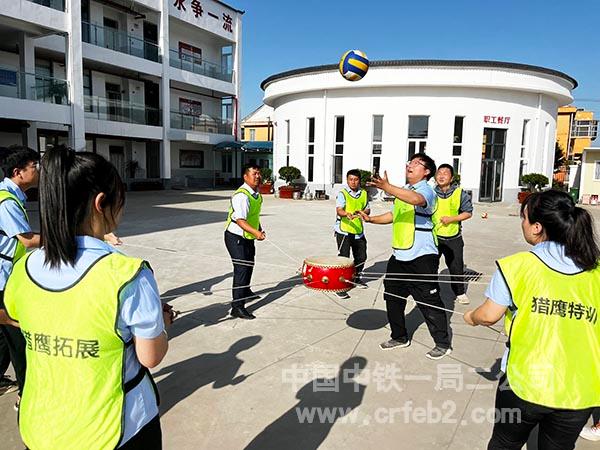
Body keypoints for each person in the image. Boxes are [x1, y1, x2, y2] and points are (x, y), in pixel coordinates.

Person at [3, 146, 173, 449]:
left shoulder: (24, 268)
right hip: (115, 429)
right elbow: (151, 356)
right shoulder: (127, 274)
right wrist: (163, 321)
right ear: (101, 203)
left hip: (41, 427)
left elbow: (11, 316)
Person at [463, 190, 600, 450]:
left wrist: (471, 316)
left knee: (505, 442)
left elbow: (489, 315)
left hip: (524, 383)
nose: (522, 224)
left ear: (537, 227)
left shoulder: (517, 266)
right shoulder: (596, 269)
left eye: (523, 218)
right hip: (581, 390)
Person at [359, 153, 452, 360]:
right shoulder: (405, 191)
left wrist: (387, 187)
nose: (410, 165)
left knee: (428, 301)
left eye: (417, 163)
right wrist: (371, 219)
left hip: (422, 256)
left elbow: (418, 201)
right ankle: (399, 336)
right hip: (399, 254)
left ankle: (442, 343)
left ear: (426, 172)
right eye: (410, 162)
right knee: (393, 297)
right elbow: (394, 215)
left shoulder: (427, 190)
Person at [0, 146, 40, 407]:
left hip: (5, 279)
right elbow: (27, 241)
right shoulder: (6, 201)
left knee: (4, 337)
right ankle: (26, 396)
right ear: (18, 172)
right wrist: (68, 238)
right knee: (21, 340)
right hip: (4, 282)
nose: (39, 171)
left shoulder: (11, 197)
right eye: (35, 166)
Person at [224, 164, 265, 320]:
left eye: (259, 173)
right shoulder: (241, 195)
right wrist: (256, 233)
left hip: (248, 235)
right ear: (245, 176)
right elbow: (240, 221)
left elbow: (253, 217)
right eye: (254, 174)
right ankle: (237, 307)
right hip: (236, 237)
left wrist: (259, 230)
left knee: (249, 264)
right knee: (241, 269)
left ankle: (245, 291)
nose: (258, 176)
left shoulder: (256, 194)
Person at [432, 164, 473, 304]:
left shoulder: (459, 193)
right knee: (430, 266)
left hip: (453, 237)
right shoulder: (431, 193)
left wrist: (452, 219)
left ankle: (459, 292)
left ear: (452, 178)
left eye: (445, 173)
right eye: (439, 173)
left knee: (456, 267)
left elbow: (468, 212)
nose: (441, 176)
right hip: (434, 237)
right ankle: (431, 291)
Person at [334, 169, 370, 299]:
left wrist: (363, 212)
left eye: (355, 179)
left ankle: (356, 278)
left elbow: (367, 208)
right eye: (350, 179)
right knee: (344, 258)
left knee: (361, 256)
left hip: (358, 230)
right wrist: (346, 214)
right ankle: (339, 285)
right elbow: (339, 210)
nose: (353, 182)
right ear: (347, 180)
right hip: (343, 230)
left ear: (359, 181)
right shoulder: (342, 193)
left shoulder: (364, 193)